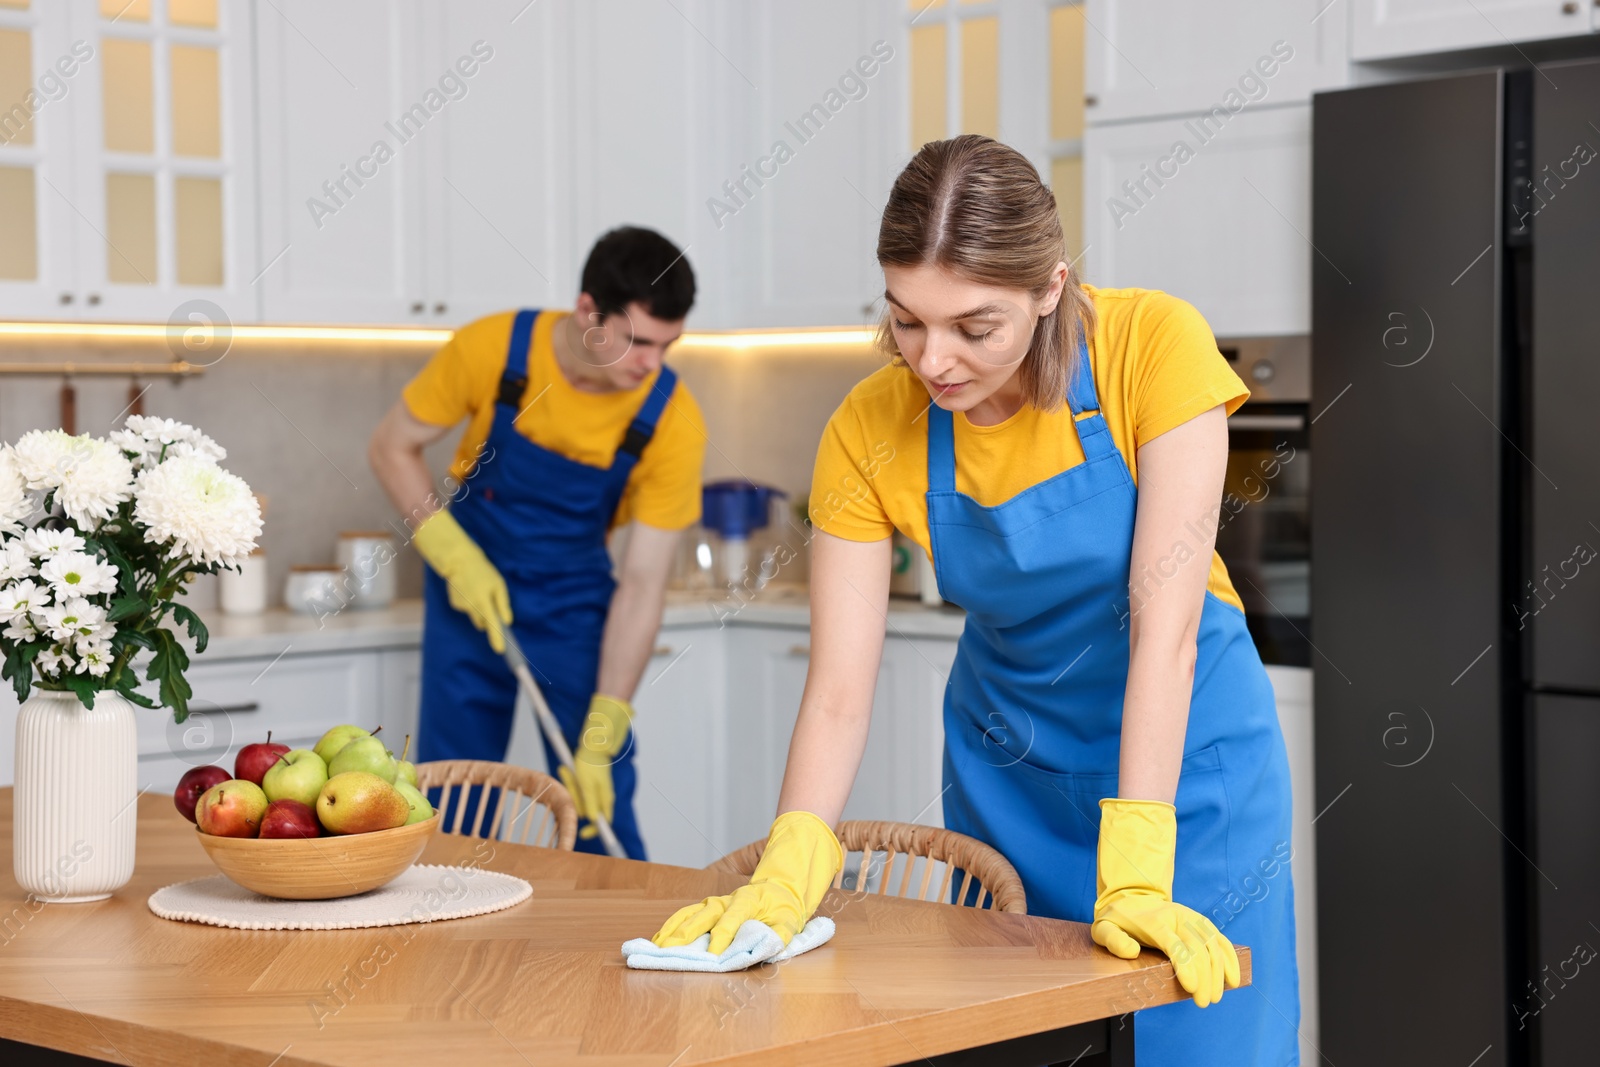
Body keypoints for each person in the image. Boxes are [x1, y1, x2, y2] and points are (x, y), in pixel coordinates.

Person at [651, 136, 1299, 1064]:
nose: (934, 361)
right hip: (1011, 767)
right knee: (1022, 1038)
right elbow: (838, 688)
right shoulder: (869, 427)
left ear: (1050, 287)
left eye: (975, 327)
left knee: (1201, 1041)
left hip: (1189, 767)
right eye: (907, 321)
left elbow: (1169, 630)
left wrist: (1141, 864)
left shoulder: (1152, 346)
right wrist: (793, 853)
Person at [370, 226, 706, 859]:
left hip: (575, 599)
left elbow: (642, 585)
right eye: (637, 340)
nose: (650, 364)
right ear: (588, 312)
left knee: (596, 796)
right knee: (455, 791)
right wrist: (448, 549)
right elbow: (391, 447)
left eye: (669, 345)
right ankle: (446, 937)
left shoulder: (669, 417)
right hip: (468, 592)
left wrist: (607, 723)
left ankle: (621, 943)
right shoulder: (495, 348)